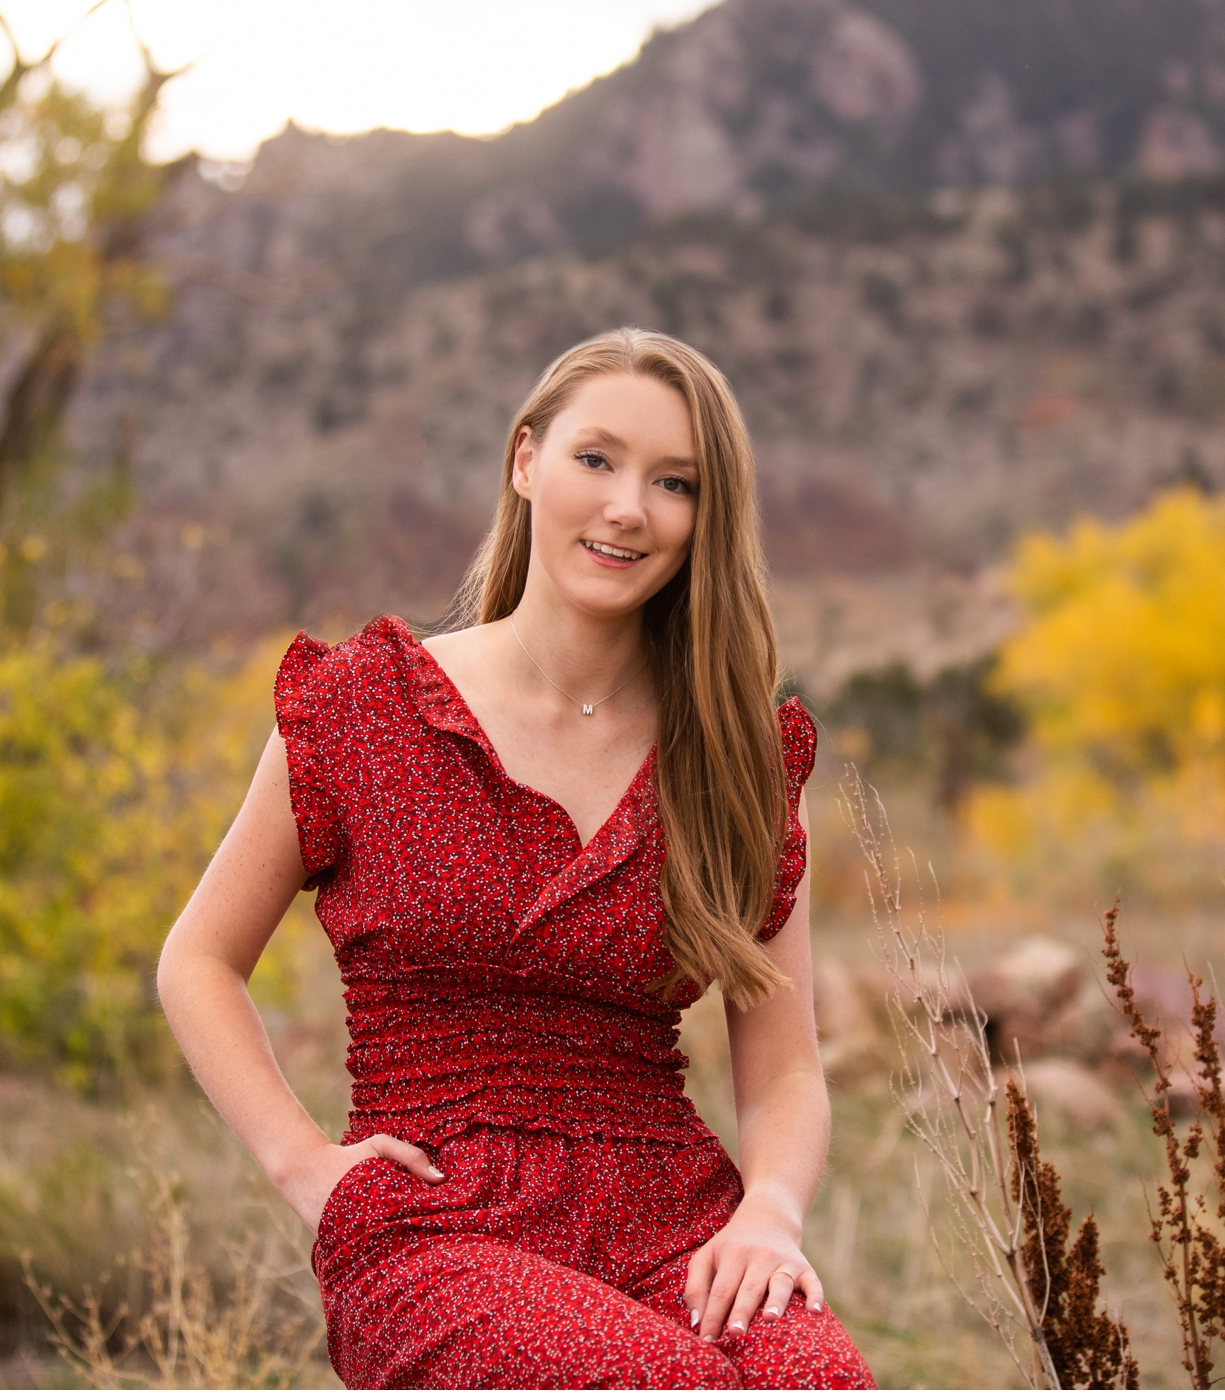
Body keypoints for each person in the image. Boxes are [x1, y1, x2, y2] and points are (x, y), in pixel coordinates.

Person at [157, 327, 875, 1388]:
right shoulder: (364, 704)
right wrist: (308, 1166)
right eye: (597, 458)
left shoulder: (737, 754)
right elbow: (198, 959)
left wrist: (769, 1211)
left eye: (674, 481)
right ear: (524, 460)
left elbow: (785, 1066)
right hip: (435, 1224)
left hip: (676, 1218)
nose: (629, 505)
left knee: (819, 1382)